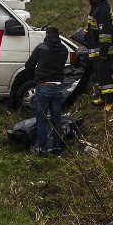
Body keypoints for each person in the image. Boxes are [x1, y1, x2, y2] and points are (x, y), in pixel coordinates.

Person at [24, 27, 69, 157]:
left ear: (47, 35)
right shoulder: (64, 50)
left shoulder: (41, 48)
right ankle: (57, 148)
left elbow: (29, 65)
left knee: (41, 120)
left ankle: (42, 149)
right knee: (56, 120)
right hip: (57, 88)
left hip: (43, 86)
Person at [79, 0, 113, 112]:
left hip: (103, 49)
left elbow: (105, 32)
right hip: (97, 47)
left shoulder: (101, 8)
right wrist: (89, 31)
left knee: (104, 75)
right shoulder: (97, 6)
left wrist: (103, 52)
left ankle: (110, 100)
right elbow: (97, 27)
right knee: (98, 74)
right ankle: (103, 97)